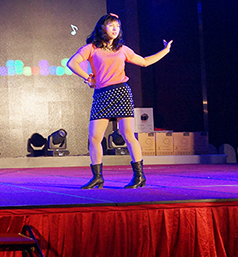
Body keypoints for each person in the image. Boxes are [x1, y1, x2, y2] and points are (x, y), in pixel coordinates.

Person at [66, 13, 171, 189]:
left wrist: (165, 51)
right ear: (102, 27)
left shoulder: (122, 49)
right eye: (111, 25)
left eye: (118, 26)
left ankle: (139, 176)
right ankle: (97, 177)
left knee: (128, 134)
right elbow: (72, 63)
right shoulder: (91, 48)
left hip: (121, 92)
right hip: (102, 94)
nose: (115, 29)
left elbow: (144, 62)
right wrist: (88, 78)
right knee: (94, 137)